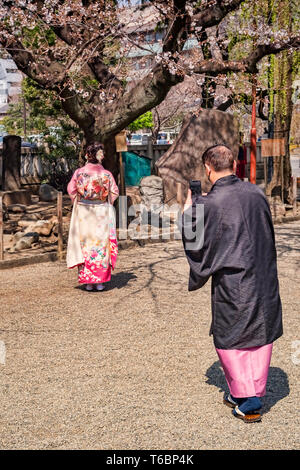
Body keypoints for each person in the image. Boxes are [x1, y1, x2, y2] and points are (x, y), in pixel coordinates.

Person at [181, 144, 283, 423]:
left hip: (233, 279)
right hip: (262, 275)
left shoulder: (207, 203)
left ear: (208, 168)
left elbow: (194, 239)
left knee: (230, 335)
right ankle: (248, 392)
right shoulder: (256, 192)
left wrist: (189, 206)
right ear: (235, 164)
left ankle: (248, 400)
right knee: (259, 332)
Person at [66, 142, 119, 291]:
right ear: (98, 156)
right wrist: (106, 201)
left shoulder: (79, 173)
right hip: (101, 211)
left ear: (87, 156)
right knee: (100, 244)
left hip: (84, 211)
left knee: (86, 244)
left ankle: (88, 282)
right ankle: (100, 281)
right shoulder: (106, 174)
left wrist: (80, 200)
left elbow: (71, 189)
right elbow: (114, 191)